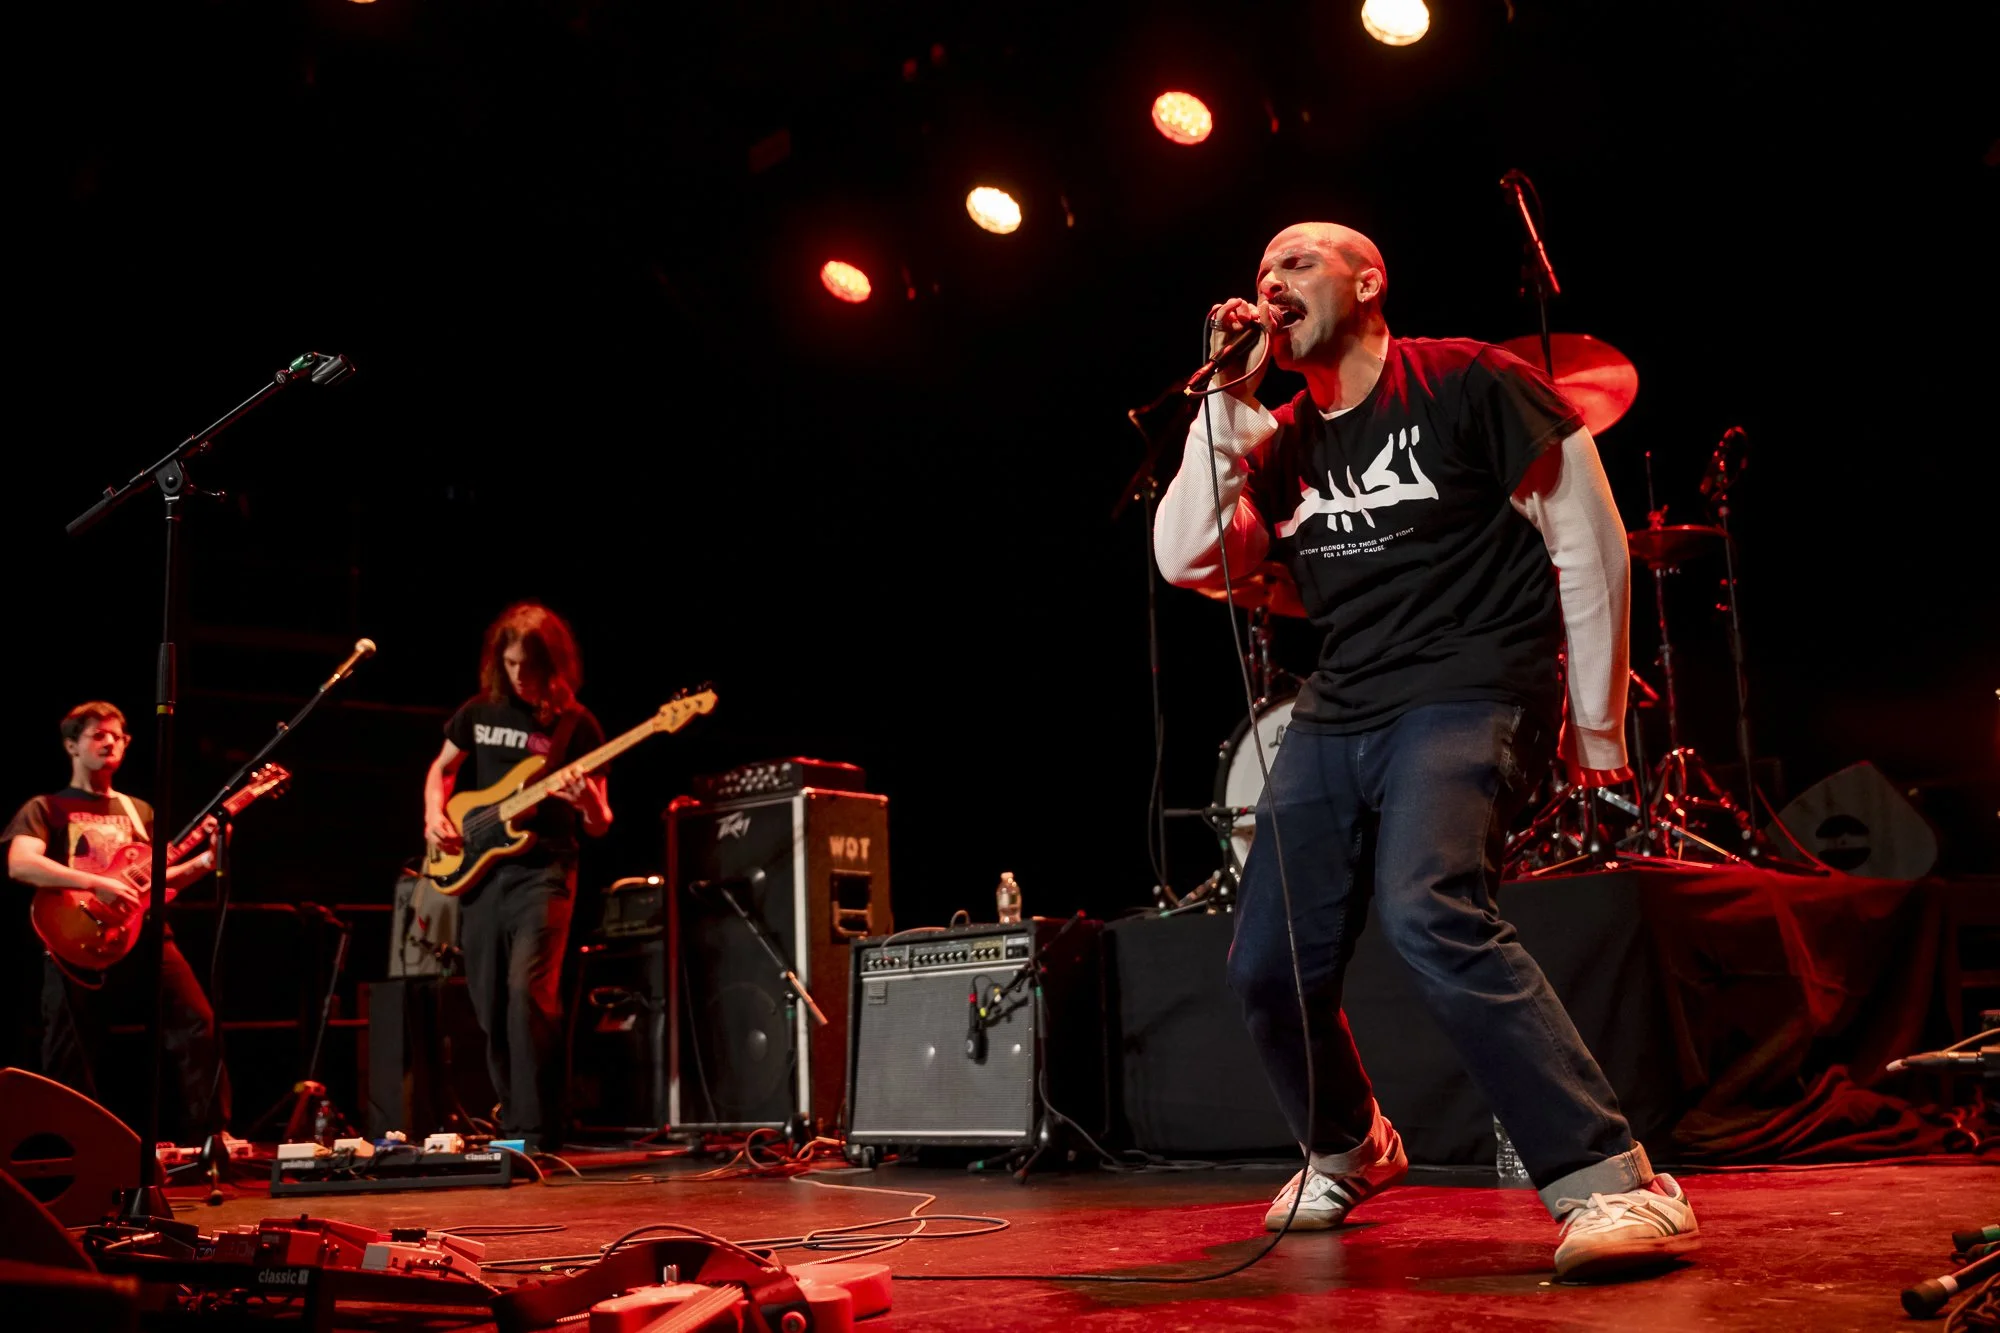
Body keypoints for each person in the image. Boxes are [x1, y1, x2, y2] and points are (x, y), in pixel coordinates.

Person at [1154, 223, 1697, 1281]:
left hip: (1472, 686)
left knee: (1426, 908)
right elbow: (1185, 556)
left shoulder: (1465, 380)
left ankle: (1610, 1181)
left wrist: (1593, 724)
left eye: (1297, 263)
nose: (1270, 281)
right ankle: (1350, 1147)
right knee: (1263, 961)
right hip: (1343, 706)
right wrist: (1222, 399)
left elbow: (1585, 535)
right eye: (1260, 268)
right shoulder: (1277, 438)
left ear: (1367, 281)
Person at [423, 602, 610, 1151]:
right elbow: (442, 769)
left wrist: (590, 805)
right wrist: (434, 814)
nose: (518, 677)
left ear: (553, 665)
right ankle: (515, 1125)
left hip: (545, 871)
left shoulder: (578, 726)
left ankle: (536, 1131)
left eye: (528, 666)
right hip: (481, 873)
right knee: (488, 1003)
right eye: (508, 664)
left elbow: (601, 824)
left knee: (527, 993)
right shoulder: (480, 712)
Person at [4, 701, 230, 1137]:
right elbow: (20, 864)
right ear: (72, 745)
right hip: (74, 935)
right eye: (97, 735)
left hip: (142, 934)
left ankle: (213, 1137)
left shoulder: (138, 811)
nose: (110, 742)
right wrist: (93, 885)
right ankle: (76, 1145)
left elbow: (157, 883)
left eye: (118, 735)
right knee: (71, 1047)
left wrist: (205, 862)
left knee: (198, 1022)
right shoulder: (46, 807)